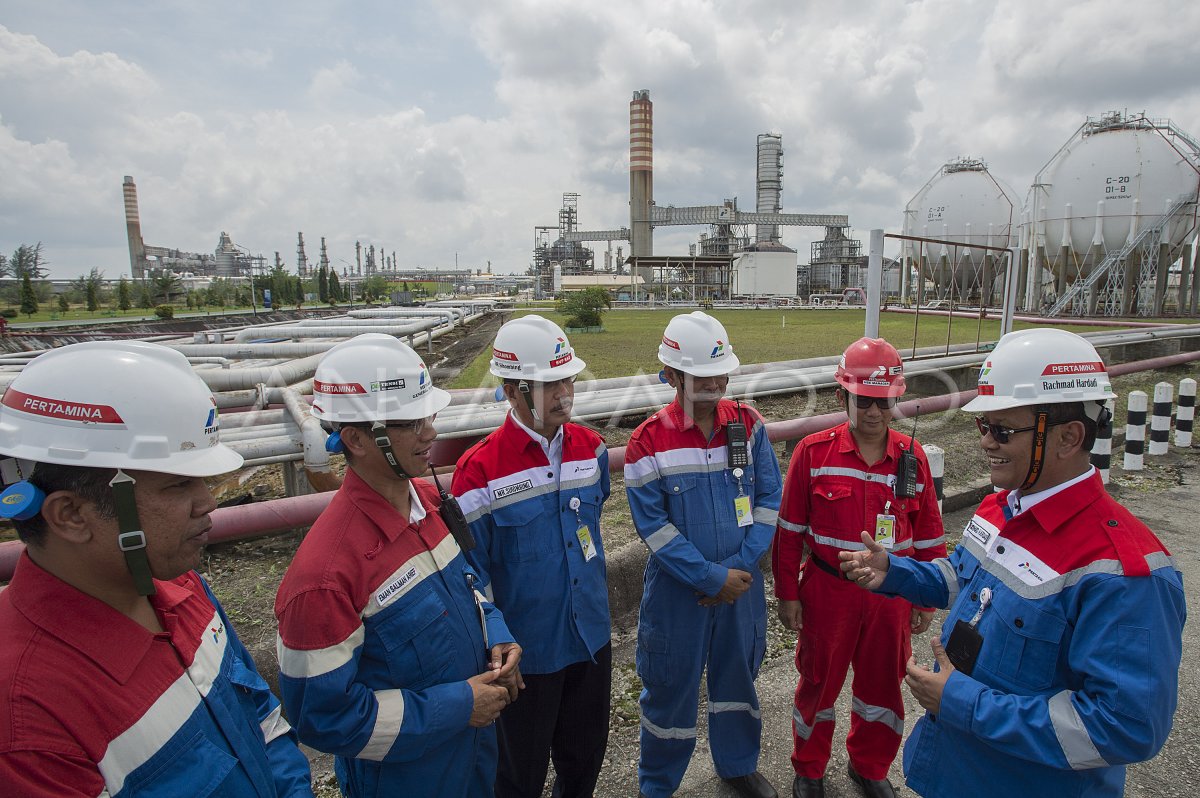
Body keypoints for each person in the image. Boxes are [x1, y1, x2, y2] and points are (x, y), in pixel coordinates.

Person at [839, 329, 1186, 797]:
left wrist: (962, 702)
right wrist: (895, 572)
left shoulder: (1123, 574)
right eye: (983, 427)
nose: (985, 443)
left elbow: (1125, 727)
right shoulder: (998, 508)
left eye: (1001, 430)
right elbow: (961, 579)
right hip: (956, 770)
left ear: (1069, 437)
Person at [0, 341, 313, 797]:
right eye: (178, 484)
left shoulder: (179, 587)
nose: (208, 502)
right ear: (70, 514)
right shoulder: (28, 718)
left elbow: (264, 725)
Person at [274, 334, 522, 798]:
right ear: (355, 439)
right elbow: (324, 718)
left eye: (429, 415)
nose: (431, 432)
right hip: (408, 779)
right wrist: (459, 706)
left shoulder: (429, 504)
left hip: (472, 756)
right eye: (411, 422)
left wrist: (498, 632)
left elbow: (470, 586)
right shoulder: (324, 577)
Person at [772, 337, 947, 798]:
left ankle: (870, 767)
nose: (875, 413)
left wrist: (925, 594)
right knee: (818, 684)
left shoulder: (914, 460)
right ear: (842, 398)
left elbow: (928, 533)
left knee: (882, 689)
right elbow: (789, 530)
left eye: (885, 402)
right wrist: (788, 594)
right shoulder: (812, 453)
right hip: (829, 594)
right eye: (865, 401)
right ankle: (809, 769)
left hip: (891, 598)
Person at [624, 311, 783, 798]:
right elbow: (655, 529)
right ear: (671, 375)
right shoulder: (647, 442)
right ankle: (658, 784)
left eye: (721, 374)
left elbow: (769, 502)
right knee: (670, 689)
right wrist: (712, 578)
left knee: (739, 678)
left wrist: (736, 570)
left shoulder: (750, 427)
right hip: (681, 594)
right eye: (701, 376)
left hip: (741, 586)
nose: (715, 384)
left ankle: (737, 766)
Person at [452, 315, 611, 798]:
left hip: (590, 641)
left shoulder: (592, 449)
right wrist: (498, 642)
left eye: (568, 379)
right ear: (512, 391)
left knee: (584, 761)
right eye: (549, 384)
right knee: (519, 776)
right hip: (526, 659)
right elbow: (470, 575)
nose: (565, 393)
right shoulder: (478, 472)